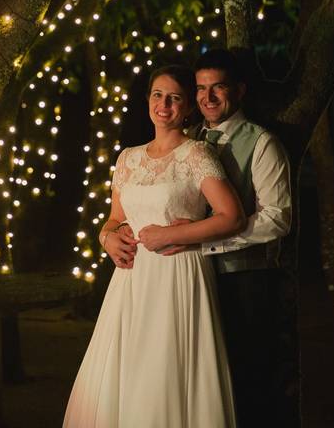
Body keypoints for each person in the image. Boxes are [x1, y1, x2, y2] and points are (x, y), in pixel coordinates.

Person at [63, 65, 245, 428]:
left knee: (165, 368)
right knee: (127, 368)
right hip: (131, 280)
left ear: (187, 107)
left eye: (175, 97)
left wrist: (173, 234)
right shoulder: (128, 158)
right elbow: (115, 218)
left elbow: (231, 217)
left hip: (178, 274)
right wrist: (106, 238)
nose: (165, 104)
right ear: (148, 100)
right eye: (158, 95)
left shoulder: (197, 155)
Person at [186, 48, 296, 427]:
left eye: (218, 88)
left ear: (240, 90)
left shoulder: (263, 143)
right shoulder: (189, 140)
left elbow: (277, 219)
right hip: (195, 279)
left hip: (247, 280)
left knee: (250, 379)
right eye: (201, 88)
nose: (208, 97)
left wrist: (210, 242)